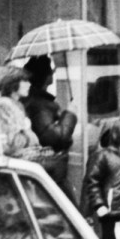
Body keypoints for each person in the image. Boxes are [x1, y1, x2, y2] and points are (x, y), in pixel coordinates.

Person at [20, 55, 77, 188]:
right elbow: (55, 138)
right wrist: (70, 114)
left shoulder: (33, 101)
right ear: (45, 76)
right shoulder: (40, 105)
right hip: (51, 172)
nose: (53, 72)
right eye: (51, 70)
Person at [0, 68, 40, 159]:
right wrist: (27, 131)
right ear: (13, 83)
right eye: (25, 81)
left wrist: (26, 132)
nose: (29, 84)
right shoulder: (2, 105)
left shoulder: (18, 105)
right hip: (1, 162)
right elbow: (12, 143)